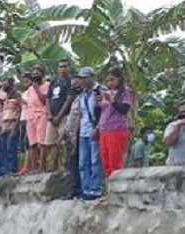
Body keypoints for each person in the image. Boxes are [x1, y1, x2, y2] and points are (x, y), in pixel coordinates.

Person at [98, 67, 134, 177]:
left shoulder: (125, 92)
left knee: (115, 161)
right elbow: (103, 111)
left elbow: (124, 110)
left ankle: (117, 186)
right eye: (107, 80)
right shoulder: (106, 92)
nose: (110, 82)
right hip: (104, 129)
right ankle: (109, 185)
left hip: (117, 129)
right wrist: (98, 101)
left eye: (112, 79)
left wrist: (112, 101)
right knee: (106, 161)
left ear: (119, 79)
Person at [76, 67, 105, 200]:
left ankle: (95, 188)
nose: (81, 81)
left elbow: (104, 111)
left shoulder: (101, 91)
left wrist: (98, 127)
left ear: (91, 77)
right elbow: (80, 114)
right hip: (83, 130)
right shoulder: (82, 94)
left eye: (84, 78)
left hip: (94, 129)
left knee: (95, 160)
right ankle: (85, 188)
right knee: (83, 162)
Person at [45, 59, 75, 172]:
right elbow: (48, 98)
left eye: (65, 66)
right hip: (52, 117)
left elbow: (68, 100)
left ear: (69, 68)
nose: (63, 69)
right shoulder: (53, 82)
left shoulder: (69, 82)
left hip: (64, 117)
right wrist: (49, 114)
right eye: (61, 67)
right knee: (51, 142)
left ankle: (64, 166)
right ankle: (53, 166)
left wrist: (59, 116)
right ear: (57, 69)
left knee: (64, 142)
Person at [26, 65, 50, 173]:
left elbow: (44, 100)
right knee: (32, 143)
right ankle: (34, 167)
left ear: (42, 74)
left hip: (41, 114)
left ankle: (42, 166)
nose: (35, 76)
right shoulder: (30, 88)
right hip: (30, 117)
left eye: (37, 73)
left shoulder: (46, 85)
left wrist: (37, 89)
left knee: (42, 142)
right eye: (33, 74)